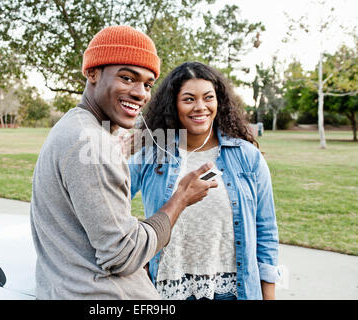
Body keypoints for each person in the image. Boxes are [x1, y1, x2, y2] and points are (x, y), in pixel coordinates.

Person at [30, 27, 217, 299]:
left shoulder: (75, 127)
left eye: (148, 84)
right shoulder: (91, 143)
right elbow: (123, 254)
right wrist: (181, 198)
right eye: (127, 77)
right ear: (92, 72)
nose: (141, 93)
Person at [128, 62, 280, 300]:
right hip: (168, 290)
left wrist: (268, 296)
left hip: (233, 291)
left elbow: (266, 232)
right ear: (173, 105)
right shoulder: (151, 155)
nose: (200, 107)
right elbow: (112, 204)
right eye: (189, 99)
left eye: (208, 98)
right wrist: (138, 254)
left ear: (218, 102)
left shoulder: (246, 157)